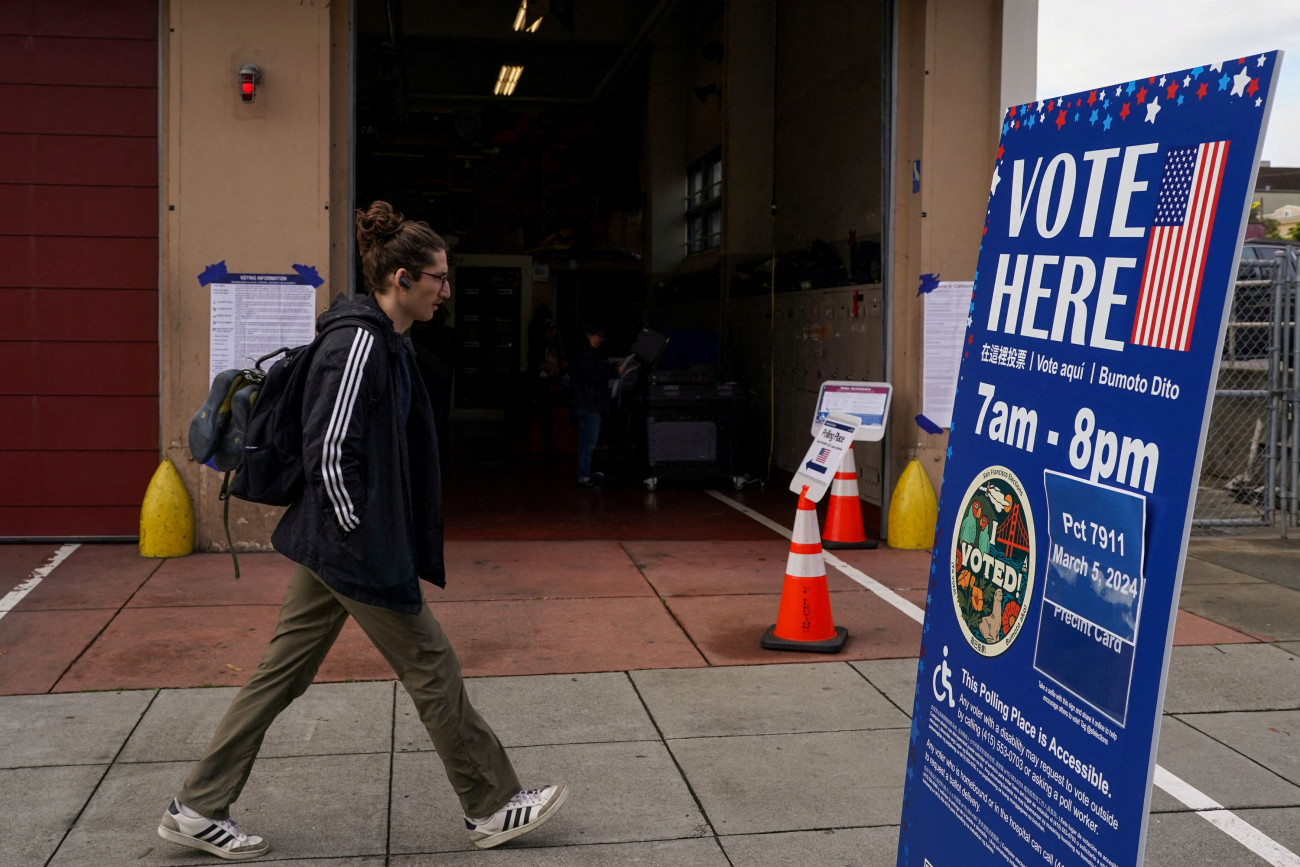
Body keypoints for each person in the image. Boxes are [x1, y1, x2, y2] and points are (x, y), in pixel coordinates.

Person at [157, 202, 566, 861]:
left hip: (331, 543)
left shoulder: (388, 340)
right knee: (432, 664)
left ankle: (198, 804)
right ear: (402, 278)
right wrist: (361, 535)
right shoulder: (358, 343)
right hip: (350, 545)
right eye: (438, 276)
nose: (447, 290)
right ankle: (491, 804)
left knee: (278, 675)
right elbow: (328, 450)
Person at [571, 323, 613, 490]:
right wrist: (614, 372)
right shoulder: (587, 355)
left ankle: (584, 474)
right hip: (589, 403)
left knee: (585, 442)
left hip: (585, 402)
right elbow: (595, 375)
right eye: (598, 336)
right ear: (589, 335)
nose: (601, 340)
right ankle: (584, 476)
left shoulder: (584, 354)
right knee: (588, 442)